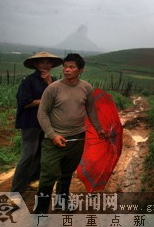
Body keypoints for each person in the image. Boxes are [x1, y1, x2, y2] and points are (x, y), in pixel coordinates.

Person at [34, 53, 106, 213]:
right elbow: (42, 113)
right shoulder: (53, 88)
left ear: (80, 70)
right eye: (65, 66)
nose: (67, 70)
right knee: (48, 176)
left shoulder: (86, 88)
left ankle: (62, 201)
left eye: (71, 67)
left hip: (78, 139)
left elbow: (91, 111)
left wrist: (99, 128)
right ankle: (40, 214)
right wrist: (53, 136)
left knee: (67, 173)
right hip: (54, 140)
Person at [11, 51, 63, 194]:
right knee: (28, 155)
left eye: (48, 62)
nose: (45, 65)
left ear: (52, 64)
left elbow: (58, 98)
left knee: (40, 153)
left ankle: (29, 181)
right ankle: (16, 191)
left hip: (45, 123)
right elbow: (24, 103)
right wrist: (44, 101)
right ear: (35, 64)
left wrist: (48, 83)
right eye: (42, 62)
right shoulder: (28, 81)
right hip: (30, 122)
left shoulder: (53, 80)